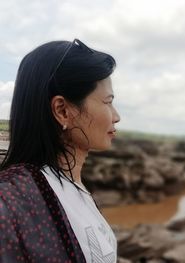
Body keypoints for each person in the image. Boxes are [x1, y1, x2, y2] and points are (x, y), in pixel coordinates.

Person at [0, 39, 120, 262]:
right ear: (62, 111)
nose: (116, 116)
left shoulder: (75, 188)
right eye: (108, 101)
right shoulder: (9, 202)